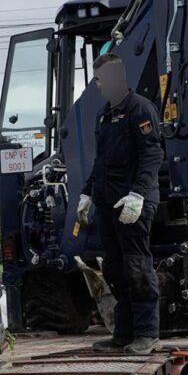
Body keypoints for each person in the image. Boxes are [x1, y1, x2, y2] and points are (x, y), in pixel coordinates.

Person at [76, 53, 164, 355]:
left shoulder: (140, 109)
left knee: (136, 267)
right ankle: (124, 334)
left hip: (133, 203)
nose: (98, 85)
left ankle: (147, 333)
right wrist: (87, 193)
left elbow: (152, 155)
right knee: (114, 269)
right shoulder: (105, 115)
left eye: (100, 80)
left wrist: (138, 194)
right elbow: (101, 162)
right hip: (109, 204)